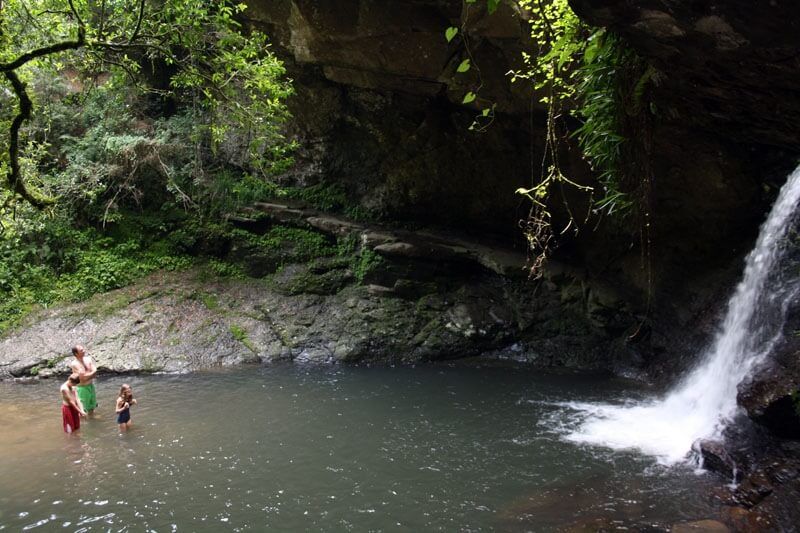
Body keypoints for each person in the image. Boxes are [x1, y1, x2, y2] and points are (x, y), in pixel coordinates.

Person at [70, 345, 98, 415]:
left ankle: (92, 419)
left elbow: (95, 371)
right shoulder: (74, 364)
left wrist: (88, 375)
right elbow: (83, 378)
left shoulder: (88, 359)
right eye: (81, 350)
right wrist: (92, 374)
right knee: (83, 408)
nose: (84, 351)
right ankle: (85, 422)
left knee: (92, 406)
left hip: (91, 386)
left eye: (83, 349)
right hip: (82, 388)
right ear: (76, 353)